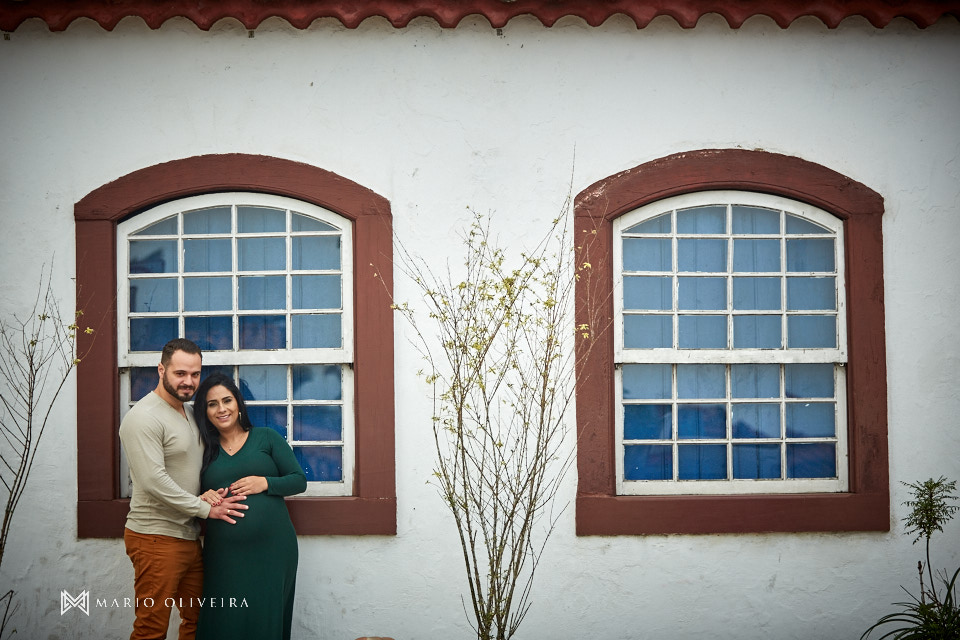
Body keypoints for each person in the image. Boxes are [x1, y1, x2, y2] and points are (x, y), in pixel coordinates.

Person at [119, 338, 249, 640]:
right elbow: (153, 481)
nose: (188, 381)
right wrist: (205, 508)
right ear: (161, 370)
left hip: (188, 535)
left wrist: (206, 495)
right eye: (180, 373)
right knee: (151, 628)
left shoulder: (190, 412)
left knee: (199, 622)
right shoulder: (143, 417)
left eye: (195, 374)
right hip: (155, 536)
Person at [193, 372, 307, 640]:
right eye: (212, 404)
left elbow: (298, 480)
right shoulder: (202, 449)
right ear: (205, 412)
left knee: (265, 620)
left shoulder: (266, 438)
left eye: (227, 400)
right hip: (224, 554)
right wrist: (202, 496)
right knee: (224, 620)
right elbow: (187, 492)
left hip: (272, 550)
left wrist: (264, 482)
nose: (221, 409)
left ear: (238, 403)